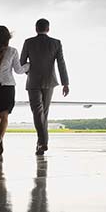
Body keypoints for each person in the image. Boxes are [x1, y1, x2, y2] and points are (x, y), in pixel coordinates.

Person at [20, 18, 69, 155]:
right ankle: (42, 142)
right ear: (48, 29)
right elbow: (61, 64)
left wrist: (31, 72)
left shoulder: (28, 42)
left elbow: (22, 62)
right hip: (50, 81)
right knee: (44, 113)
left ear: (36, 29)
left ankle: (41, 142)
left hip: (33, 82)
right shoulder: (56, 43)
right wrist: (65, 83)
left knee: (37, 112)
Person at [0, 26, 29, 155]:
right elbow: (19, 70)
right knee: (5, 116)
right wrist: (29, 65)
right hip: (8, 86)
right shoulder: (13, 51)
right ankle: (1, 138)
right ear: (8, 38)